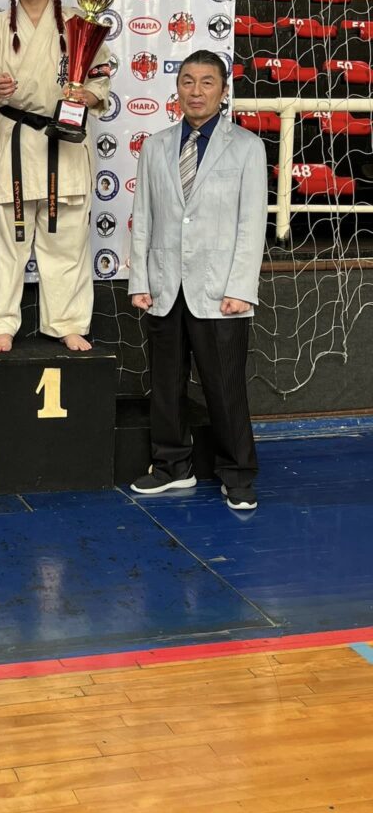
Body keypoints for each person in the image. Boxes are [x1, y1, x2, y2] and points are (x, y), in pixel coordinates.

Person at [128, 50, 268, 510]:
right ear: (177, 89)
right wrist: (140, 280)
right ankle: (172, 466)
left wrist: (240, 289)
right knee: (166, 385)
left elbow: (251, 224)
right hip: (165, 286)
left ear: (223, 91)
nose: (196, 90)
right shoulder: (155, 146)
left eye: (207, 82)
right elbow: (144, 217)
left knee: (224, 388)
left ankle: (237, 474)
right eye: (187, 81)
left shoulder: (247, 146)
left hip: (219, 291)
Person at [0, 0, 111, 352]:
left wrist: (86, 96)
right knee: (5, 239)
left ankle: (67, 321)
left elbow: (100, 79)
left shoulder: (78, 24)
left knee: (65, 238)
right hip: (12, 139)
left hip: (62, 139)